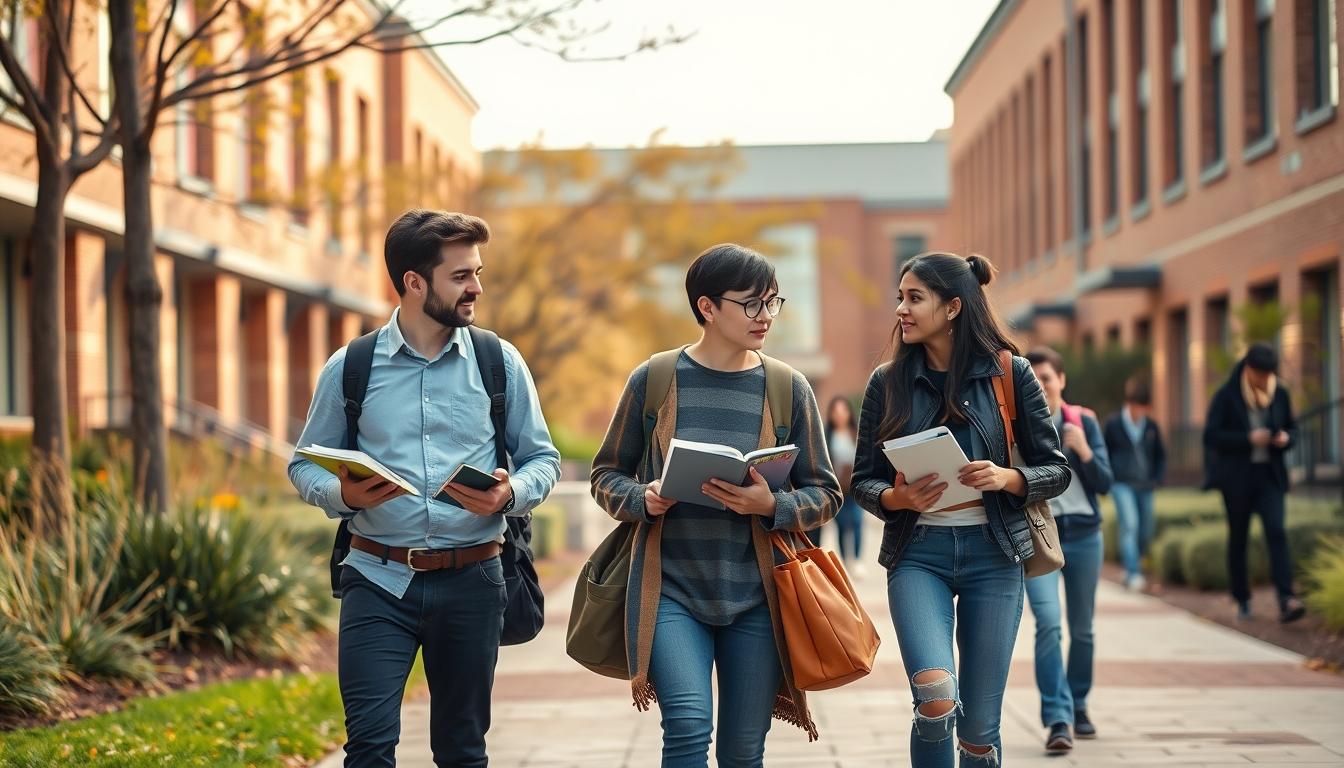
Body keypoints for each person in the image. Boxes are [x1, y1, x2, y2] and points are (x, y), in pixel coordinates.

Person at [289, 210, 561, 767]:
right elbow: (303, 465)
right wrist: (344, 497)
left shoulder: (498, 361)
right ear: (415, 282)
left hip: (475, 580)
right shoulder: (352, 366)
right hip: (376, 579)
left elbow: (542, 458)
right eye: (461, 276)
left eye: (477, 273)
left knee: (462, 751)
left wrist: (508, 496)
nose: (476, 288)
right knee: (368, 748)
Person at [590, 243, 842, 767]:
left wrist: (770, 504)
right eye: (752, 304)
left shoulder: (787, 388)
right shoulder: (655, 379)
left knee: (743, 750)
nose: (766, 317)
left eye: (773, 302)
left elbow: (826, 492)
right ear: (707, 307)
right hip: (672, 591)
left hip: (758, 595)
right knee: (686, 726)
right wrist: (644, 497)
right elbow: (605, 474)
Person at [851, 252, 1070, 768]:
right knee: (934, 699)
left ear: (952, 308)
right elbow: (861, 480)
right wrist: (896, 498)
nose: (900, 309)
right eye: (900, 297)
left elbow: (1055, 469)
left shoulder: (1010, 374)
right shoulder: (887, 383)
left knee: (978, 734)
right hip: (917, 556)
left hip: (994, 557)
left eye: (913, 298)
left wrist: (1008, 478)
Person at [1023, 347, 1113, 753]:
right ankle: (1057, 717)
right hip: (1043, 536)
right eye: (1034, 378)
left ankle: (1078, 704)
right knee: (1049, 623)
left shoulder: (1085, 422)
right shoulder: (1019, 423)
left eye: (1047, 378)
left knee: (1083, 629)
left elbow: (1106, 482)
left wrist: (1086, 452)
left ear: (1062, 381)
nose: (1041, 385)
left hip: (1085, 534)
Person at [1203, 342, 1305, 623]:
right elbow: (1211, 436)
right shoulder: (1227, 395)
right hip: (1237, 479)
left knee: (1276, 531)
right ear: (1248, 369)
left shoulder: (1280, 392)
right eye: (1259, 374)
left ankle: (1286, 598)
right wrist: (1247, 439)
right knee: (1239, 537)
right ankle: (1242, 598)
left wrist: (1286, 440)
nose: (1263, 380)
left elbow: (1293, 429)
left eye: (1268, 375)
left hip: (1269, 475)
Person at [1103, 375, 1166, 592]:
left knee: (1145, 530)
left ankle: (1134, 563)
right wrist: (1108, 476)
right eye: (1138, 408)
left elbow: (1160, 455)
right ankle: (1133, 572)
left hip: (1145, 485)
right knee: (1129, 524)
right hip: (1121, 484)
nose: (1141, 413)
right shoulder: (1113, 424)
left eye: (1145, 409)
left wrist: (1157, 477)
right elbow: (1105, 452)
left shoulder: (1151, 426)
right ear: (1129, 405)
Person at [826, 395, 867, 575]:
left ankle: (857, 560)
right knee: (842, 525)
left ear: (849, 412)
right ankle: (844, 561)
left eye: (843, 410)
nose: (840, 414)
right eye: (836, 411)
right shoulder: (827, 435)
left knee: (857, 522)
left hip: (856, 486)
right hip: (837, 488)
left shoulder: (856, 433)